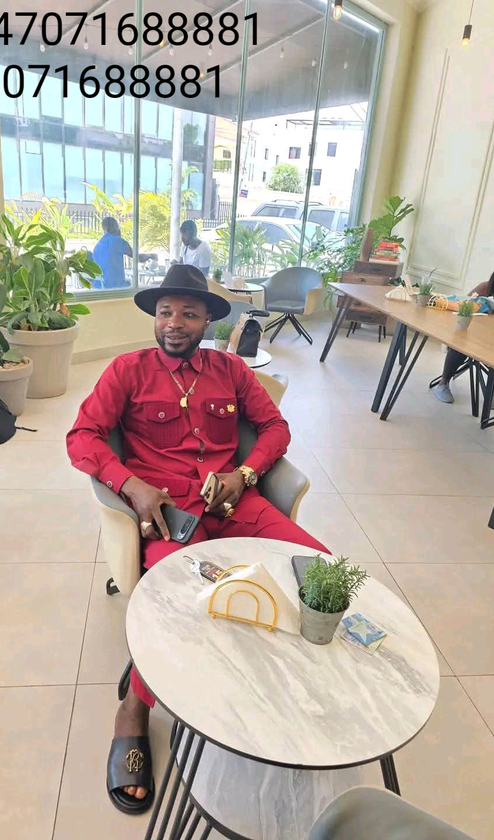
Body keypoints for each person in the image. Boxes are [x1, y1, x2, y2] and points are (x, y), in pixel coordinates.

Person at [66, 264, 329, 815]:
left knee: (319, 569)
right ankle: (134, 710)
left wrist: (246, 473)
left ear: (208, 319)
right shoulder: (127, 371)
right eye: (166, 312)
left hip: (234, 503)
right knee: (174, 601)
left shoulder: (230, 370)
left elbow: (275, 428)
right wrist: (132, 486)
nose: (174, 323)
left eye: (188, 313)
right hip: (168, 513)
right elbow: (82, 437)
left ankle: (287, 682)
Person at [433, 254, 494, 405]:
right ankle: (443, 382)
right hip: (474, 335)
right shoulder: (485, 287)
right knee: (460, 344)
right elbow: (463, 306)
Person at [92, 216, 133, 289]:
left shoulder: (98, 245)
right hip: (114, 286)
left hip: (99, 286)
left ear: (104, 228)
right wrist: (150, 256)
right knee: (135, 286)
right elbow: (136, 256)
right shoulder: (118, 241)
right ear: (116, 227)